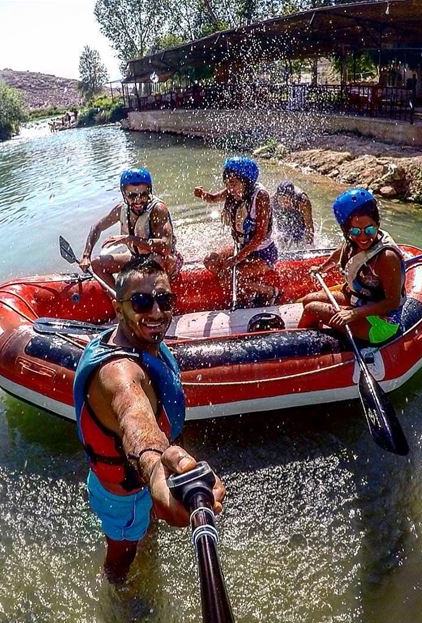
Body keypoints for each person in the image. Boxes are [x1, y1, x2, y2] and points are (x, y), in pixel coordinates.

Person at [73, 256, 225, 583]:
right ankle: (121, 604)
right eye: (141, 302)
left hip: (139, 486)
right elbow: (135, 421)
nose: (156, 312)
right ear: (118, 309)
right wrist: (158, 474)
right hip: (122, 496)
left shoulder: (141, 340)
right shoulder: (118, 373)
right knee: (121, 556)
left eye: (164, 300)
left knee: (147, 537)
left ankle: (148, 543)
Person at [298, 189, 406, 344]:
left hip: (381, 322)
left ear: (377, 224)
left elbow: (392, 302)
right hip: (359, 299)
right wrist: (322, 268)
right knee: (307, 300)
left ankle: (302, 348)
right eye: (355, 231)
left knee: (311, 309)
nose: (363, 237)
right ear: (346, 230)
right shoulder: (352, 241)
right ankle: (320, 334)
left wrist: (354, 314)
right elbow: (341, 252)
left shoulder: (386, 257)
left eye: (369, 229)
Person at [194, 156, 279, 305]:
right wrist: (202, 195)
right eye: (227, 183)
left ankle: (269, 291)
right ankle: (240, 291)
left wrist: (235, 260)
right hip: (243, 247)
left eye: (233, 184)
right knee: (210, 261)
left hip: (263, 253)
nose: (230, 188)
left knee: (229, 276)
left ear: (246, 181)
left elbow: (259, 236)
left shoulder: (261, 197)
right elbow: (213, 198)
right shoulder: (233, 190)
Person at [79, 167, 182, 289]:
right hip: (138, 259)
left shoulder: (158, 210)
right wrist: (86, 256)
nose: (138, 201)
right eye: (132, 196)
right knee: (97, 263)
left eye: (143, 195)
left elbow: (165, 248)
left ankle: (158, 298)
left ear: (149, 191)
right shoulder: (120, 209)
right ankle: (120, 300)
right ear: (124, 194)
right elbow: (96, 227)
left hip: (166, 261)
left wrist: (130, 239)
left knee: (157, 260)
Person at [271, 180, 314, 249]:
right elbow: (270, 223)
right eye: (282, 199)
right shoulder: (273, 200)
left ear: (293, 197)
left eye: (287, 200)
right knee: (282, 235)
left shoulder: (302, 201)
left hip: (297, 215)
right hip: (282, 215)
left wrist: (310, 246)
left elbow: (309, 224)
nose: (284, 202)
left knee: (299, 237)